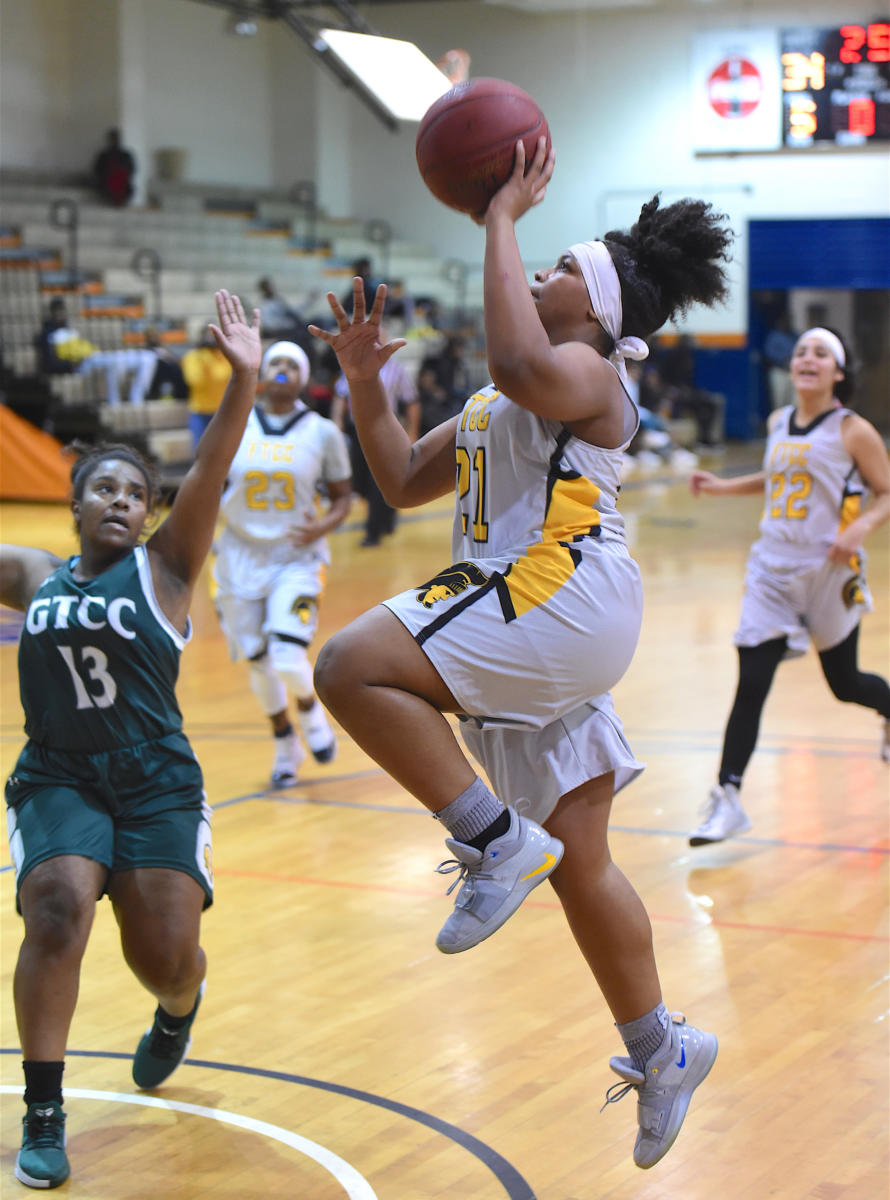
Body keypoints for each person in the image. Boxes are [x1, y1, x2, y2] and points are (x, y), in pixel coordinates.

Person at [308, 140, 733, 1170]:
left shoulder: (588, 372)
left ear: (590, 305)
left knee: (347, 667)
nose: (534, 272)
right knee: (581, 864)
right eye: (530, 261)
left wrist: (496, 216)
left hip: (553, 588)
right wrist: (364, 383)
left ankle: (489, 837)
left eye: (553, 268)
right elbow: (403, 476)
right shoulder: (507, 398)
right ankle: (660, 1044)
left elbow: (515, 360)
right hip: (544, 610)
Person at [2, 290, 261, 1190]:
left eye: (136, 493)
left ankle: (179, 1007)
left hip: (156, 782)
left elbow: (215, 466)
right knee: (59, 908)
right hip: (59, 777)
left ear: (150, 512)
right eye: (104, 487)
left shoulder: (166, 568)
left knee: (161, 957)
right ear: (75, 502)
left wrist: (245, 377)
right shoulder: (32, 574)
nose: (122, 499)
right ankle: (45, 1106)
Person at [688, 327, 890, 846]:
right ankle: (728, 796)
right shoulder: (779, 421)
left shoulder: (853, 430)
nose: (808, 358)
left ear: (838, 372)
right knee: (751, 680)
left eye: (822, 353)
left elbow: (885, 493)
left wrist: (860, 526)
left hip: (830, 571)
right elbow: (775, 477)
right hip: (771, 569)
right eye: (801, 350)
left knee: (845, 685)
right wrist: (722, 487)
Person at [212, 340, 352, 788]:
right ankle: (284, 742)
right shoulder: (233, 422)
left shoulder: (323, 432)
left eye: (293, 364)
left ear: (304, 378)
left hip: (297, 556)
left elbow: (344, 497)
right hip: (238, 554)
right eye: (275, 362)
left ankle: (311, 714)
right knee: (258, 662)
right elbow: (205, 480)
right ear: (261, 371)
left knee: (288, 656)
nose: (282, 370)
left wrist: (322, 526)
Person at [331, 334, 420, 546]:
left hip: (385, 429)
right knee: (360, 482)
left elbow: (412, 401)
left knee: (377, 481)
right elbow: (340, 396)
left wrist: (413, 431)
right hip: (357, 430)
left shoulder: (397, 369)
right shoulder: (354, 363)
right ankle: (388, 514)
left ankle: (373, 532)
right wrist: (337, 421)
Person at [35, 298, 157, 408]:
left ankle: (137, 398)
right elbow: (49, 364)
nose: (60, 315)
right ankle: (114, 403)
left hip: (94, 355)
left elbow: (82, 346)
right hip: (81, 364)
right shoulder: (47, 334)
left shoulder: (69, 330)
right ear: (51, 312)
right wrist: (70, 364)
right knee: (116, 361)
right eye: (57, 311)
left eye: (62, 311)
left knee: (148, 357)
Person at [181, 326, 232, 453]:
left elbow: (230, 379)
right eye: (208, 335)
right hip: (200, 412)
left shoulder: (226, 357)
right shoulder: (193, 357)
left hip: (223, 412)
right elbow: (195, 381)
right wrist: (204, 360)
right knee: (201, 451)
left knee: (224, 451)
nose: (210, 339)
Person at [417, 334, 471, 436]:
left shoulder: (459, 363)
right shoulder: (435, 361)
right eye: (458, 347)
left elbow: (462, 386)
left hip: (453, 401)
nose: (460, 351)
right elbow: (426, 382)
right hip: (435, 404)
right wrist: (435, 390)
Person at [92, 128, 136, 207]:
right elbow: (97, 171)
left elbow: (132, 171)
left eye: (116, 138)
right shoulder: (103, 156)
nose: (115, 141)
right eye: (113, 139)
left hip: (122, 191)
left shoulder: (126, 155)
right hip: (106, 191)